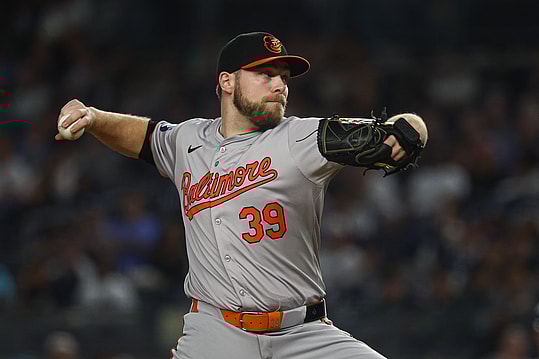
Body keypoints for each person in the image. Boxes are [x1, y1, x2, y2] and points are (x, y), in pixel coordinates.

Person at [56, 32, 428, 359]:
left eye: (283, 77)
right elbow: (144, 135)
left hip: (303, 333)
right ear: (227, 81)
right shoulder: (188, 140)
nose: (280, 85)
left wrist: (411, 131)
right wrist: (92, 117)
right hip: (216, 333)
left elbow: (400, 129)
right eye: (265, 74)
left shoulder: (303, 138)